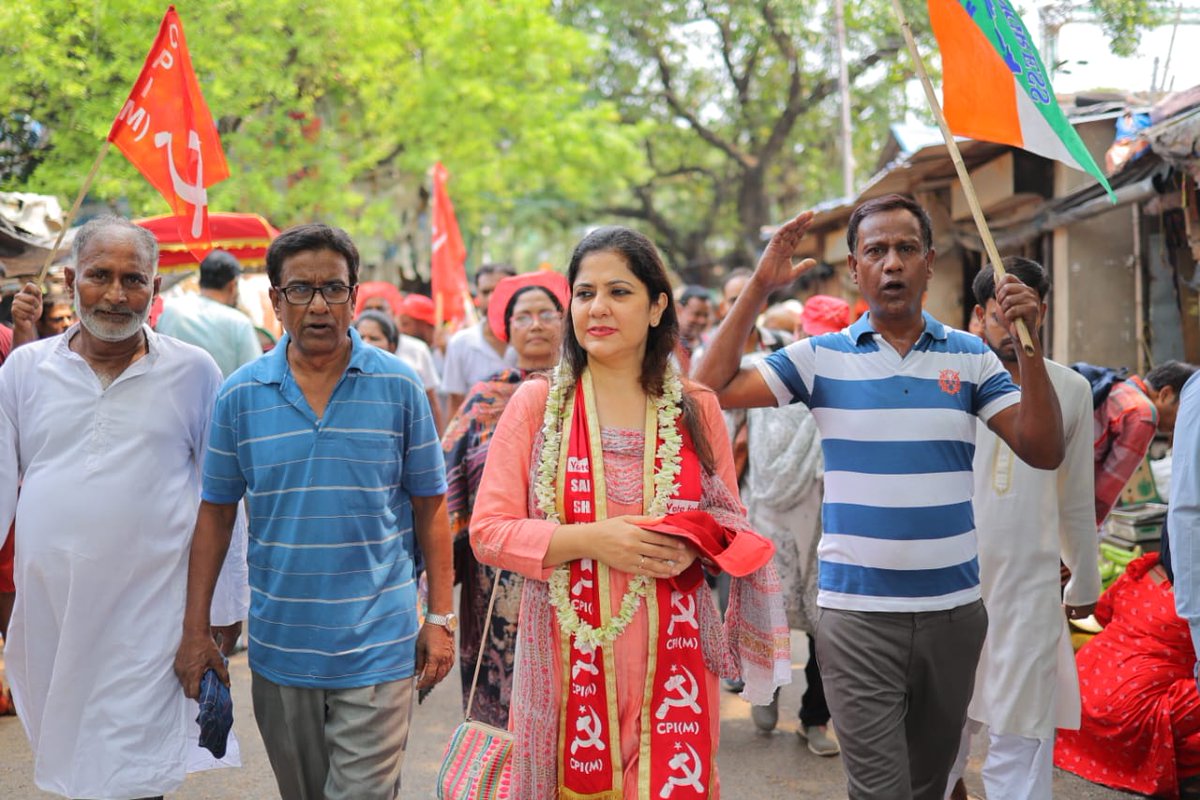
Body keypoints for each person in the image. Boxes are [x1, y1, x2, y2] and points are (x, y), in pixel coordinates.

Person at [694, 194, 1064, 800]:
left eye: (906, 249)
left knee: (930, 787)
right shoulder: (821, 358)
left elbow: (1042, 448)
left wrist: (1028, 343)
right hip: (857, 618)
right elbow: (708, 388)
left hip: (954, 614)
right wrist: (761, 282)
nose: (891, 263)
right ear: (854, 268)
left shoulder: (969, 357)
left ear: (929, 263)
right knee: (879, 791)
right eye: (876, 251)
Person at [470, 226, 789, 799]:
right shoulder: (539, 404)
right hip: (564, 661)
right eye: (585, 293)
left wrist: (698, 539)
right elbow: (489, 532)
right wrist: (594, 540)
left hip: (676, 662)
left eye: (619, 292)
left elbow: (730, 525)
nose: (597, 308)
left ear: (656, 305)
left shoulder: (697, 406)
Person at [174, 223, 455, 800]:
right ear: (275, 301)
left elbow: (431, 508)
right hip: (282, 648)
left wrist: (441, 619)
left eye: (334, 288)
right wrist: (195, 629)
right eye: (300, 290)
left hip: (380, 642)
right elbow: (215, 516)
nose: (319, 305)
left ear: (356, 296)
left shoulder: (399, 389)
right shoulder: (240, 395)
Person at [0, 216, 242, 799]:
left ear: (155, 290)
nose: (115, 294)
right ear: (68, 279)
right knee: (73, 761)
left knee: (133, 774)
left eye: (133, 279)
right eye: (99, 276)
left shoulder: (193, 371)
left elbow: (222, 498)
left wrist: (223, 611)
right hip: (53, 611)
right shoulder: (24, 371)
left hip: (153, 612)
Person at [944, 258, 1100, 799]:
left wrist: (1086, 579)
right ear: (977, 315)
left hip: (1031, 591)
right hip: (952, 587)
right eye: (1001, 316)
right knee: (942, 737)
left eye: (1025, 315)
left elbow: (1075, 496)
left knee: (1024, 738)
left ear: (1043, 312)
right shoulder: (951, 383)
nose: (1014, 331)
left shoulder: (1072, 390)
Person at [441, 270, 568, 728]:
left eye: (546, 315)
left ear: (565, 321)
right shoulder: (484, 398)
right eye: (523, 317)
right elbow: (446, 480)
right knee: (498, 701)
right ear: (507, 329)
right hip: (493, 575)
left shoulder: (590, 392)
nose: (535, 325)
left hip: (572, 561)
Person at [739, 293, 848, 756]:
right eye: (811, 338)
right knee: (768, 612)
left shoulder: (848, 384)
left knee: (826, 627)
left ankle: (814, 719)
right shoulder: (764, 375)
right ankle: (765, 692)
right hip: (767, 515)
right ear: (800, 334)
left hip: (827, 522)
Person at [1055, 552, 1200, 798]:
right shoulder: (1192, 597)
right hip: (1128, 717)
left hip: (1078, 706)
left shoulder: (1141, 572)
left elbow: (1102, 614)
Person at [1095, 360, 1196, 526]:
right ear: (1165, 394)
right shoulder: (1144, 415)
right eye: (1186, 409)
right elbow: (1101, 499)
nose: (1184, 421)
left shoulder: (1118, 388)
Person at [156, 249, 263, 379]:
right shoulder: (239, 323)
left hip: (172, 397)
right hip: (222, 398)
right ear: (232, 285)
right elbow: (255, 375)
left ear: (201, 280)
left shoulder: (169, 310)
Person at [441, 262, 517, 418]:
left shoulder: (535, 340)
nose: (492, 298)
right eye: (485, 292)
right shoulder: (460, 343)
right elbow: (455, 402)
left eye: (498, 291)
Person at [355, 308, 444, 433]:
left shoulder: (405, 380)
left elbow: (431, 405)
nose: (366, 343)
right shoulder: (343, 377)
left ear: (392, 346)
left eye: (374, 338)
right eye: (361, 337)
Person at [676, 284, 712, 374]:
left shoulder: (710, 345)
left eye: (706, 315)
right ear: (679, 310)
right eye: (696, 314)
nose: (702, 321)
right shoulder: (663, 345)